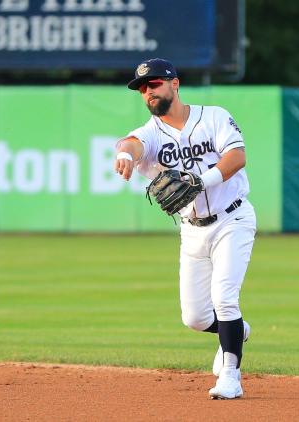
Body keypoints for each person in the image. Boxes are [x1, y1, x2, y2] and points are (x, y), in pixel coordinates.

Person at [114, 58, 257, 400]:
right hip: (192, 229)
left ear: (174, 84)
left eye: (155, 84)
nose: (148, 91)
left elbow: (237, 157)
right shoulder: (152, 132)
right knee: (194, 317)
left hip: (232, 218)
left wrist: (200, 180)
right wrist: (127, 154)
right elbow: (131, 141)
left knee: (224, 297)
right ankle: (237, 330)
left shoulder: (214, 116)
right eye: (142, 88)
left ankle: (231, 376)